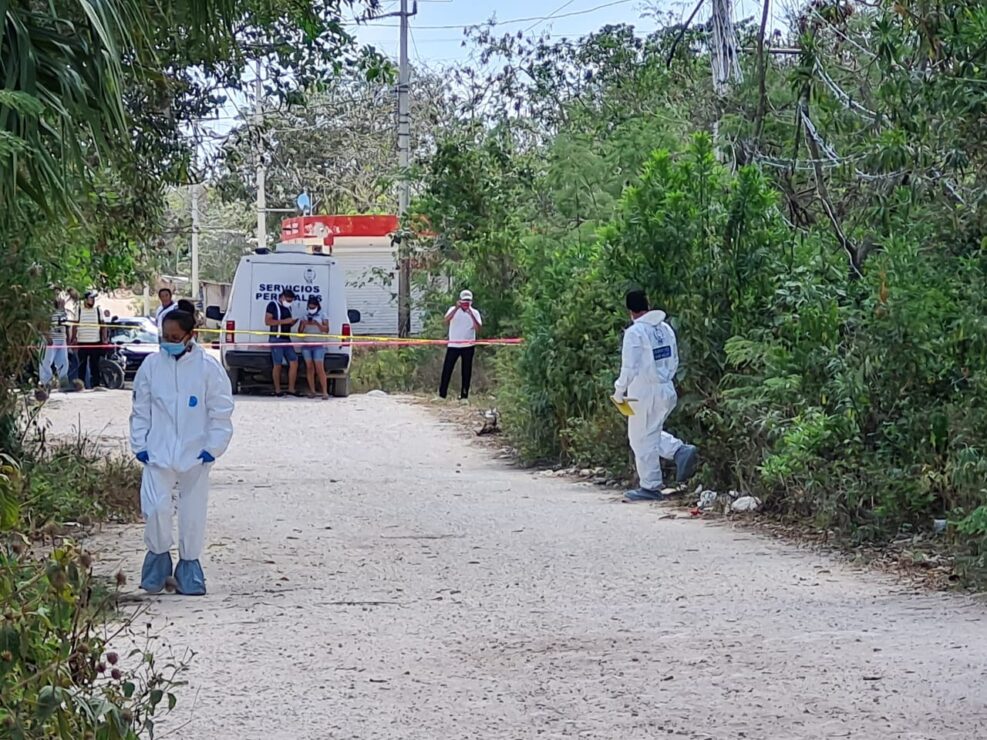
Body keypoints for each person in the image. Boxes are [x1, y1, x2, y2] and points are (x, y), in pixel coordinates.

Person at [130, 309, 234, 595]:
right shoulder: (151, 366)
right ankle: (158, 562)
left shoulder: (208, 368)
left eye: (175, 337)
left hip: (195, 453)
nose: (169, 342)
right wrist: (140, 444)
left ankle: (189, 568)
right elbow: (141, 409)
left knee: (192, 512)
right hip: (157, 452)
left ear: (191, 336)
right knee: (155, 509)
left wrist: (213, 447)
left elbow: (221, 410)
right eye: (165, 336)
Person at [612, 290, 698, 502]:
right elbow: (675, 358)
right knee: (650, 433)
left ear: (630, 311)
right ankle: (680, 451)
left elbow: (629, 367)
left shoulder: (635, 332)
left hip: (644, 391)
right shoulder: (665, 328)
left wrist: (619, 390)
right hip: (667, 387)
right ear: (648, 305)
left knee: (639, 438)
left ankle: (650, 486)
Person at [439, 290, 482, 402]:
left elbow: (478, 328)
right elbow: (445, 320)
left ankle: (464, 396)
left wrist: (470, 314)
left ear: (471, 302)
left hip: (468, 345)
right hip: (453, 345)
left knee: (466, 371)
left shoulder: (475, 312)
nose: (466, 303)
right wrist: (456, 309)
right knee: (447, 369)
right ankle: (442, 395)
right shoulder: (453, 310)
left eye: (468, 301)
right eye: (464, 301)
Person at [265, 288, 298, 397]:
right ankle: (278, 390)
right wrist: (285, 321)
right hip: (276, 339)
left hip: (286, 339)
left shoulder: (288, 308)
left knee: (294, 361)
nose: (289, 303)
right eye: (288, 300)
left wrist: (293, 322)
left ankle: (291, 388)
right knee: (277, 364)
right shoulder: (272, 305)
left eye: (291, 301)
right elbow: (267, 321)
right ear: (282, 297)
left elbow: (288, 323)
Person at [71, 291, 107, 389]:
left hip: (95, 341)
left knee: (95, 365)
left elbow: (103, 325)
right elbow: (75, 325)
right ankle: (81, 385)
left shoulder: (98, 310)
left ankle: (96, 385)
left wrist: (104, 338)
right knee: (82, 365)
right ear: (86, 300)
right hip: (82, 341)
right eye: (91, 298)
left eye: (94, 298)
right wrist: (73, 338)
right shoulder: (79, 310)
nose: (93, 300)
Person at [299, 296, 330, 400]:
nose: (311, 309)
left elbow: (326, 329)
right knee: (309, 368)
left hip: (318, 345)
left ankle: (325, 392)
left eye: (313, 307)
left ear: (317, 306)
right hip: (307, 344)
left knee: (319, 368)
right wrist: (304, 324)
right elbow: (300, 332)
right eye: (310, 307)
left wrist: (317, 324)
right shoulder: (304, 316)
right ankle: (312, 391)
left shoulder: (323, 315)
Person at [40, 297, 69, 389]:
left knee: (63, 361)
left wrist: (66, 337)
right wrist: (47, 336)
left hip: (61, 339)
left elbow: (65, 325)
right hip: (50, 339)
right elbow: (42, 324)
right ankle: (45, 382)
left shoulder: (63, 311)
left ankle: (63, 381)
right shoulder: (47, 309)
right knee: (46, 361)